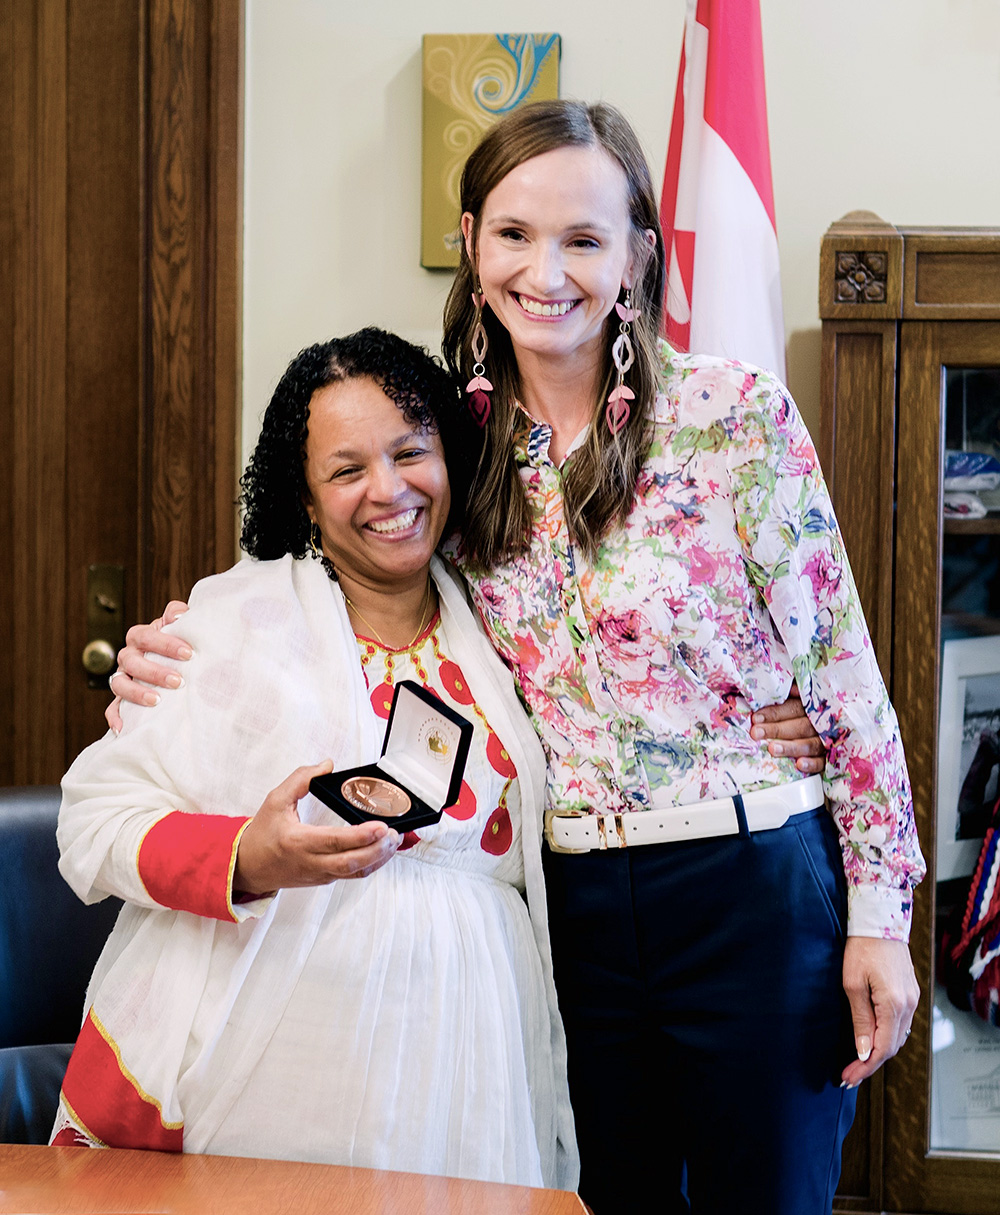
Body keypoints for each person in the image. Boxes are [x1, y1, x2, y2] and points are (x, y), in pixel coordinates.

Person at [109, 101, 924, 1214]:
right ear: (472, 245)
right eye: (515, 235)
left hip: (751, 890)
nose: (548, 271)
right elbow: (341, 563)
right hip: (568, 911)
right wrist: (176, 647)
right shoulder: (454, 450)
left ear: (638, 250)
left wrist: (882, 919)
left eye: (583, 239)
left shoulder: (735, 419)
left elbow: (845, 687)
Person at [50, 328, 578, 1191]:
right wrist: (245, 858)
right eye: (346, 469)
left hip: (471, 1061)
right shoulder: (231, 623)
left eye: (412, 450)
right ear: (304, 496)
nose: (389, 488)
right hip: (268, 1075)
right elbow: (92, 818)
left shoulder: (510, 624)